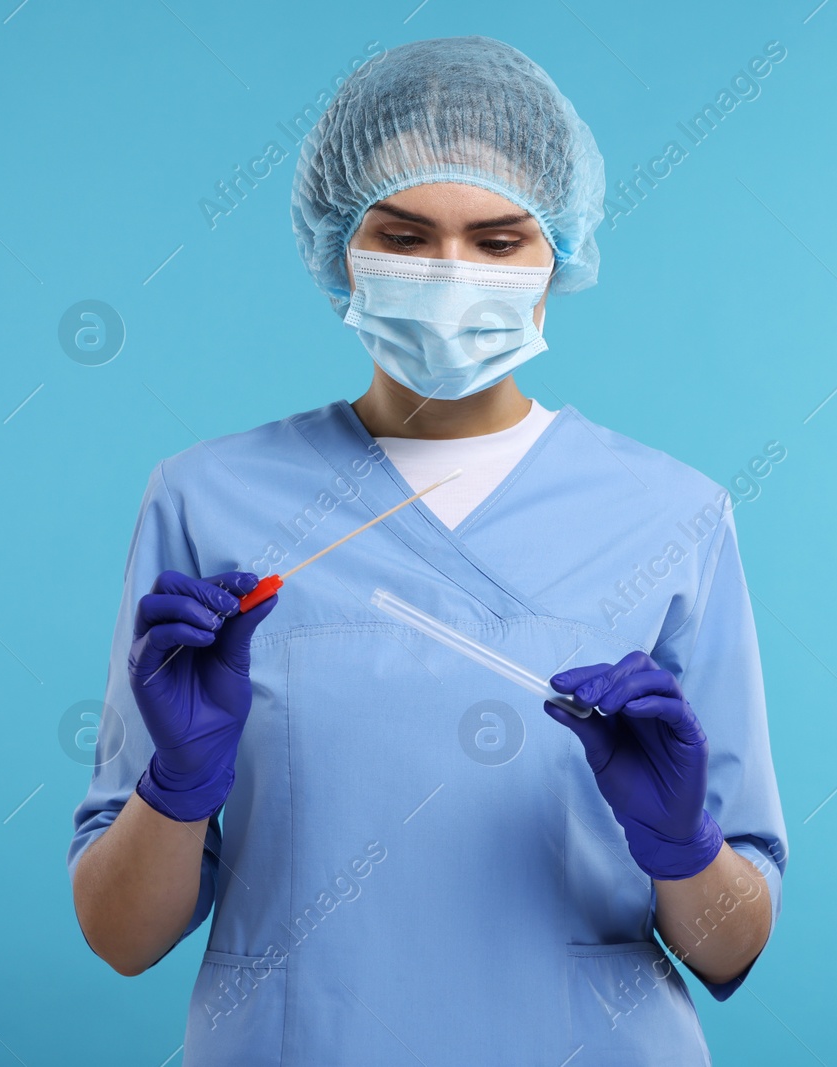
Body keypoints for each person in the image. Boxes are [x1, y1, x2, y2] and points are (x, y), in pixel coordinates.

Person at [67, 36, 786, 1065]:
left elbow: (730, 950)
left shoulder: (673, 513)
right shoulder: (208, 498)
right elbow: (120, 936)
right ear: (337, 250)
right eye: (405, 235)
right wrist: (176, 783)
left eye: (498, 241)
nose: (451, 277)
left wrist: (680, 842)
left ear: (561, 255)